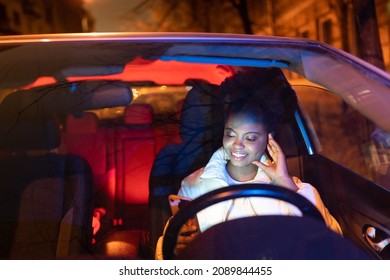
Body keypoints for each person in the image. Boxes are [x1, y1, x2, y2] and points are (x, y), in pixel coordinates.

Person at [155, 68, 343, 259]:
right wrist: (176, 248)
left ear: (269, 138)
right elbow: (163, 254)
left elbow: (330, 243)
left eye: (251, 138)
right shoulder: (193, 186)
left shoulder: (292, 189)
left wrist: (285, 183)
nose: (237, 145)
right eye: (230, 134)